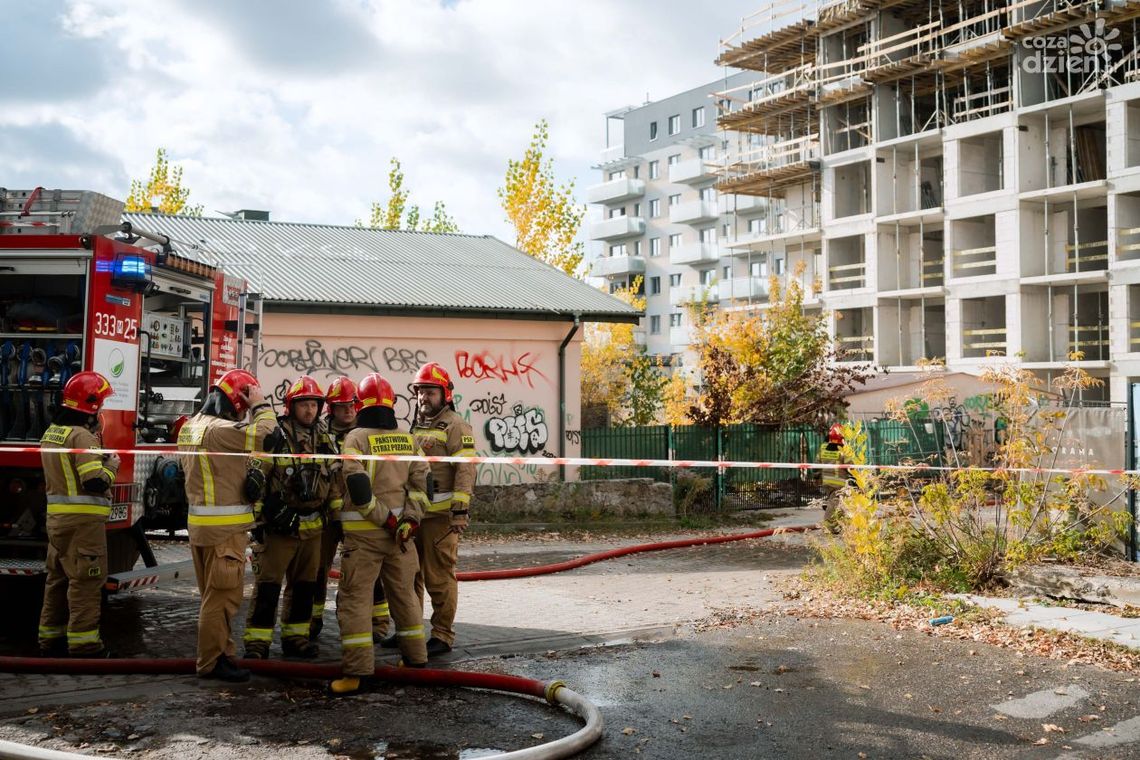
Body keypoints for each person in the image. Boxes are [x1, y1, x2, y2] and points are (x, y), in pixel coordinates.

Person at [329, 372, 432, 696]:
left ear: (360, 405)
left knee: (355, 602)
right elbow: (423, 487)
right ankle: (416, 661)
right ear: (392, 403)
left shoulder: (355, 439)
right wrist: (409, 521)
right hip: (402, 539)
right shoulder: (408, 439)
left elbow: (359, 491)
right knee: (405, 597)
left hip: (364, 539)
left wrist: (387, 521)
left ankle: (357, 673)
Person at [177, 368, 278, 682]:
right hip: (224, 531)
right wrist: (260, 405)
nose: (243, 414)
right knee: (221, 599)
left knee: (213, 596)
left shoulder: (190, 427)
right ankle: (211, 662)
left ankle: (223, 653)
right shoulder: (220, 430)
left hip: (201, 527)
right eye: (243, 408)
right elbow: (269, 435)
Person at [243, 375, 341, 660]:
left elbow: (335, 481)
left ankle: (296, 638)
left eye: (314, 404)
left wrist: (336, 518)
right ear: (291, 406)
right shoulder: (277, 435)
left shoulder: (325, 438)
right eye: (303, 404)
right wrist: (258, 522)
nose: (309, 410)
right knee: (268, 587)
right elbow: (258, 477)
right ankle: (257, 643)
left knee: (304, 587)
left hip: (313, 528)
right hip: (279, 527)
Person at [37, 371, 118, 657]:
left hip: (57, 523)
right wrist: (112, 465)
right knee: (86, 582)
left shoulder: (52, 433)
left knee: (57, 580)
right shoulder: (82, 436)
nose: (102, 410)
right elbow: (94, 481)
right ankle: (85, 646)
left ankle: (50, 640)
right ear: (91, 406)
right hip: (83, 525)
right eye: (101, 404)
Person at [402, 362, 475, 657]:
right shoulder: (417, 426)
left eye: (430, 392)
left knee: (439, 577)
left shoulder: (456, 425)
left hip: (440, 519)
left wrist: (459, 511)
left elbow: (466, 469)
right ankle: (411, 631)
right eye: (421, 391)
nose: (424, 397)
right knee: (410, 576)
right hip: (415, 515)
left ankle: (442, 635)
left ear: (445, 394)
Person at [819, 423, 850, 533]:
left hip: (826, 481)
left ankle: (839, 525)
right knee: (835, 503)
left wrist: (817, 477)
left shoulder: (823, 447)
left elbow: (817, 462)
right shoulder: (843, 450)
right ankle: (829, 526)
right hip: (838, 483)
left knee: (838, 504)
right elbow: (850, 465)